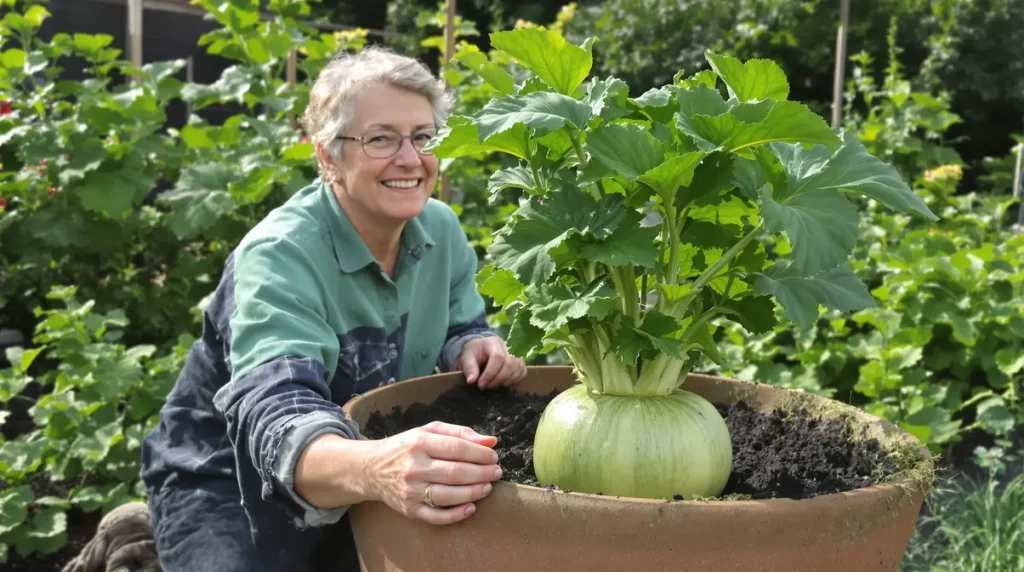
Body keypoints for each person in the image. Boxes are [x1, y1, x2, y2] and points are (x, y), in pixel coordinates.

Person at [138, 45, 528, 572]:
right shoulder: (280, 255)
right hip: (226, 479)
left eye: (423, 136)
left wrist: (474, 346)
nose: (410, 159)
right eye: (380, 139)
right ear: (327, 157)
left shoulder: (440, 229)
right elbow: (278, 422)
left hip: (361, 462)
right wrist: (378, 468)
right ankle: (133, 545)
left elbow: (462, 323)